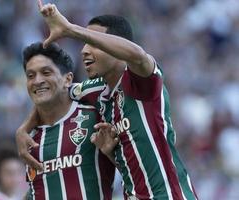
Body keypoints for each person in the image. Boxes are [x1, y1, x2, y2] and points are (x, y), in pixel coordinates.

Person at [33, 2, 198, 200]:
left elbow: (137, 55)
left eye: (93, 43)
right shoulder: (95, 90)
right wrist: (24, 129)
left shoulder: (141, 81)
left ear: (116, 47)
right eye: (85, 44)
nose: (84, 51)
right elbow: (54, 93)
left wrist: (70, 29)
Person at [19, 41, 115, 199]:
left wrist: (110, 154)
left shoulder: (95, 117)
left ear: (68, 79)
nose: (37, 81)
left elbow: (131, 171)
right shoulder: (28, 139)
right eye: (31, 75)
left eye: (46, 72)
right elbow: (37, 189)